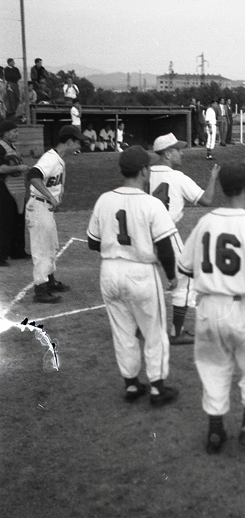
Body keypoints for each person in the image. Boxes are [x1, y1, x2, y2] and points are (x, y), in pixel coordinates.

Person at [177, 161, 245, 454]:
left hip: (209, 309)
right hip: (242, 309)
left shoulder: (205, 222)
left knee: (213, 367)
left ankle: (215, 431)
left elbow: (184, 267)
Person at [87, 145, 180, 407]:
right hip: (140, 273)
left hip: (109, 272)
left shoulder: (104, 199)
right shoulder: (151, 203)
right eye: (147, 167)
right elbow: (165, 247)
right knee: (154, 331)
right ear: (143, 171)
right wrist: (172, 277)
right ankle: (157, 389)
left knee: (122, 331)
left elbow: (92, 242)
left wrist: (115, 245)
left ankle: (131, 384)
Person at [149, 132, 217, 344]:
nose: (182, 153)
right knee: (185, 280)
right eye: (177, 150)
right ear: (167, 154)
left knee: (144, 280)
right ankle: (176, 332)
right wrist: (213, 178)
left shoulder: (144, 174)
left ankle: (138, 327)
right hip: (166, 234)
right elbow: (207, 199)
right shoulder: (178, 177)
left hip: (142, 235)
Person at [25, 125, 89, 303]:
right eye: (77, 142)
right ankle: (40, 290)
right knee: (42, 249)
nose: (79, 145)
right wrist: (51, 198)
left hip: (44, 208)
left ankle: (49, 281)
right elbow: (33, 175)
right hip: (39, 207)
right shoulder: (51, 159)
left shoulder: (58, 158)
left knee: (51, 246)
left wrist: (53, 198)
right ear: (69, 141)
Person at [0, 120, 30, 265]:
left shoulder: (12, 147)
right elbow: (1, 168)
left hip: (17, 188)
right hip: (5, 187)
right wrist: (18, 168)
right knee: (5, 222)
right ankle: (1, 256)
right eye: (14, 131)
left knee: (18, 220)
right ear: (6, 133)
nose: (17, 134)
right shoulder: (0, 147)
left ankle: (17, 251)